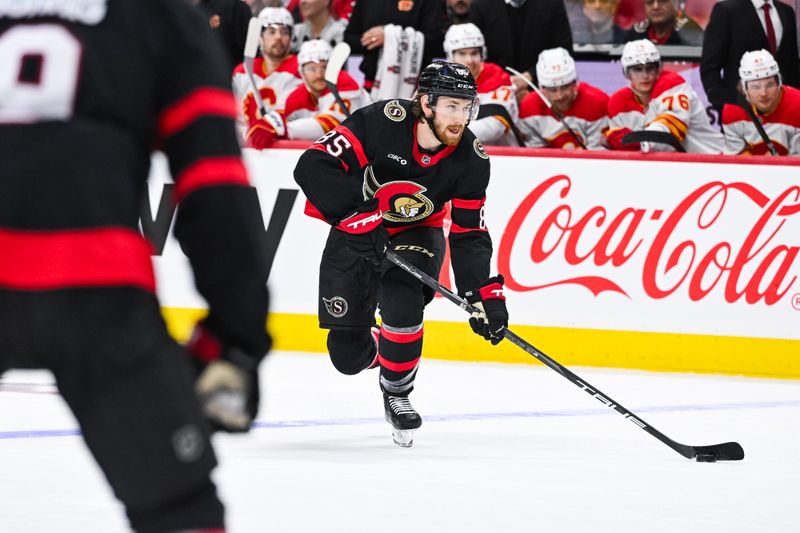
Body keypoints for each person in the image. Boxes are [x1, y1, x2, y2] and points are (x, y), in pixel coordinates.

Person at [0, 1, 270, 532]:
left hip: (92, 285)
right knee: (180, 509)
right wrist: (234, 337)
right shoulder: (160, 15)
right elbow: (213, 183)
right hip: (95, 290)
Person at [293, 61, 510, 447]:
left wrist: (483, 293)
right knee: (346, 356)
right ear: (425, 103)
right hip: (355, 225)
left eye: (466, 108)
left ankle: (397, 390)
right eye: (451, 107)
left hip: (417, 231)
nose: (460, 118)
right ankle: (385, 349)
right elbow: (313, 164)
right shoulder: (381, 122)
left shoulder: (472, 159)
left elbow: (469, 232)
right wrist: (355, 217)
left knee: (402, 298)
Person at [606, 39, 723, 153]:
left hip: (714, 161)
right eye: (638, 69)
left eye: (650, 68)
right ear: (627, 73)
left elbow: (668, 140)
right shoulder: (619, 102)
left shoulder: (672, 85)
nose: (645, 75)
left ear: (658, 70)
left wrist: (638, 141)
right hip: (669, 167)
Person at [701, 0, 800, 111]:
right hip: (741, 112)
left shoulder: (786, 12)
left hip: (784, 112)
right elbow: (710, 67)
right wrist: (724, 108)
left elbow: (793, 66)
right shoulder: (727, 10)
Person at [469, 0, 573, 101]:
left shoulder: (552, 3)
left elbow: (564, 52)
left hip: (543, 91)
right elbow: (477, 57)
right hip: (493, 93)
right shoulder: (480, 6)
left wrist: (529, 77)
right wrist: (508, 86)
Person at [232, 6, 302, 149]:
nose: (278, 37)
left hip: (287, 150)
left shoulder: (302, 69)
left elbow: (295, 113)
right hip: (248, 148)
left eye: (284, 32)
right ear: (260, 37)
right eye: (272, 32)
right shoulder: (242, 71)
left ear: (291, 37)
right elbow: (234, 115)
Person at [444, 23, 520, 145]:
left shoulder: (498, 78)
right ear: (450, 56)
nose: (469, 60)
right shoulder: (438, 79)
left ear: (482, 53)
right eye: (462, 53)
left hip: (501, 156)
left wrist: (444, 131)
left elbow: (495, 127)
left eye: (474, 53)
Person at [518, 48, 609, 149]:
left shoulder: (596, 103)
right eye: (553, 89)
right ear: (542, 88)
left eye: (565, 87)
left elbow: (598, 157)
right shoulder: (529, 107)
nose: (560, 96)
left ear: (575, 83)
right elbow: (536, 156)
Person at [344, 0, 447, 90]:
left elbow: (437, 43)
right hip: (372, 84)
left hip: (413, 86)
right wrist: (372, 39)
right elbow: (349, 40)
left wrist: (390, 36)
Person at [280, 39, 372, 140]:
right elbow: (280, 118)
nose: (319, 75)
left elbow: (330, 125)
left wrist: (282, 129)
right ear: (302, 72)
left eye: (324, 67)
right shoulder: (297, 97)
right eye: (312, 69)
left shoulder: (346, 84)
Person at [722, 50, 800, 155]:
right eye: (755, 87)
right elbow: (736, 160)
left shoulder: (797, 105)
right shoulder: (732, 110)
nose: (763, 93)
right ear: (744, 89)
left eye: (769, 85)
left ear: (779, 84)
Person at [193, 0, 253, 72]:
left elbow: (250, 51)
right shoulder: (190, 11)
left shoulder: (235, 7)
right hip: (202, 76)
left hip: (234, 77)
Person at [625, 0, 703, 46]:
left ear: (676, 3)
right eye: (650, 1)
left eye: (663, 0)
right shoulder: (634, 35)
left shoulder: (691, 34)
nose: (655, 6)